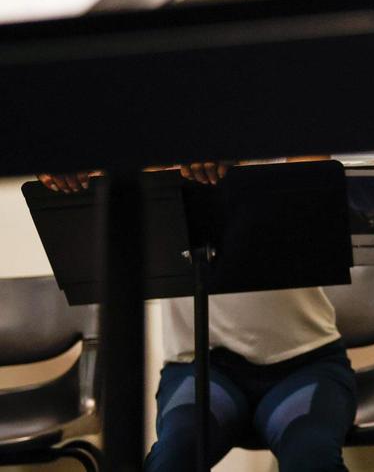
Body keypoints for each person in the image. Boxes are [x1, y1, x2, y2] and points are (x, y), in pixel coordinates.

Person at [38, 160, 357, 472]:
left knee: (312, 459)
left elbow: (314, 169)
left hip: (305, 365)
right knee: (172, 459)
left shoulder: (279, 123)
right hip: (200, 368)